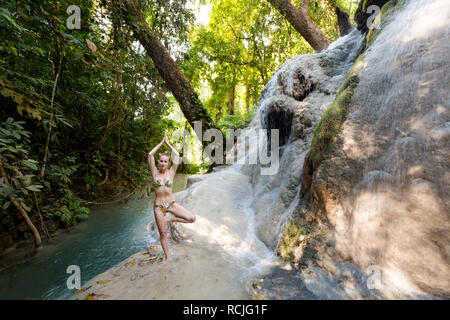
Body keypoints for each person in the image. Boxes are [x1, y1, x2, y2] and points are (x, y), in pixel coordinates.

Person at [148, 133, 196, 263]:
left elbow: (177, 155)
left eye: (165, 161)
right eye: (161, 161)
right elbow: (150, 155)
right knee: (163, 234)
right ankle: (168, 256)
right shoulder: (154, 172)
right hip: (158, 207)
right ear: (159, 162)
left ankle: (171, 219)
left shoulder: (171, 172)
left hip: (171, 204)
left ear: (168, 163)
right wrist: (161, 143)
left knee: (192, 218)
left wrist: (168, 143)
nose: (163, 163)